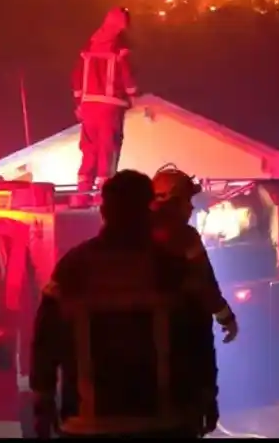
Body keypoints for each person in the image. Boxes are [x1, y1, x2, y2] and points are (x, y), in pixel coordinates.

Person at [30, 170, 218, 439]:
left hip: (87, 425)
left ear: (104, 211)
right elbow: (198, 338)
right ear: (148, 210)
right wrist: (206, 396)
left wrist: (43, 401)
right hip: (164, 423)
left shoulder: (74, 267)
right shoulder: (170, 268)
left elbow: (45, 340)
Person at [152, 167, 239, 343]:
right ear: (173, 200)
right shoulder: (185, 236)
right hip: (179, 330)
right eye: (187, 199)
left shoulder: (133, 229)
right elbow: (204, 281)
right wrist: (226, 317)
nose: (191, 206)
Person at [71, 7, 138, 204]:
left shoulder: (89, 45)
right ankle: (103, 197)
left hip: (89, 106)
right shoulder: (119, 46)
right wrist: (133, 93)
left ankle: (81, 196)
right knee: (108, 149)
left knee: (89, 149)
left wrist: (79, 102)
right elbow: (126, 73)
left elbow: (76, 75)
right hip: (111, 105)